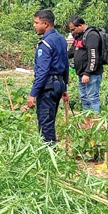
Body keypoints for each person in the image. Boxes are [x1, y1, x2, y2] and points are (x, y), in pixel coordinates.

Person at [26, 9, 69, 144]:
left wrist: (33, 94)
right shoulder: (61, 39)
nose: (34, 25)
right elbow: (65, 64)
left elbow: (42, 71)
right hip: (58, 84)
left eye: (36, 22)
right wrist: (64, 87)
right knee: (51, 119)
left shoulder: (45, 43)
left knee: (45, 123)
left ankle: (49, 156)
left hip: (48, 87)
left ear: (45, 24)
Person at [66, 16, 104, 114]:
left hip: (91, 74)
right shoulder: (79, 36)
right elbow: (72, 51)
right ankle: (87, 122)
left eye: (73, 29)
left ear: (81, 25)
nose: (72, 32)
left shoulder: (91, 36)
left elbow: (93, 56)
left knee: (92, 98)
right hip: (81, 73)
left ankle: (95, 123)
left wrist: (87, 73)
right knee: (84, 98)